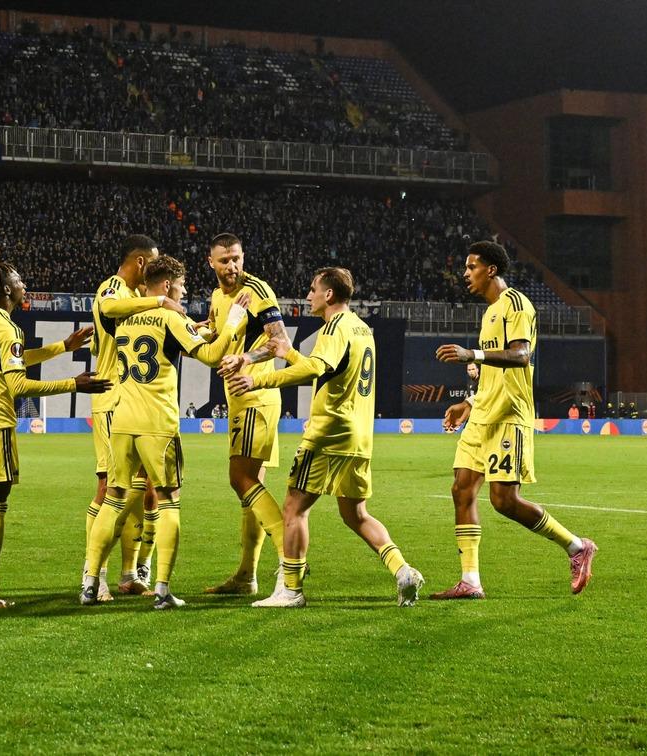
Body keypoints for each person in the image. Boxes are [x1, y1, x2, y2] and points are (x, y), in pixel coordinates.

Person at [227, 267, 424, 608]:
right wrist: (288, 352)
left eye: (313, 289)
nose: (308, 296)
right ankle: (402, 570)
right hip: (359, 435)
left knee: (293, 508)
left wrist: (258, 381)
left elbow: (316, 368)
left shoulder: (334, 327)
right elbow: (329, 367)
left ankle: (290, 590)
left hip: (329, 433)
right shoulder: (362, 328)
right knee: (355, 514)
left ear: (329, 295)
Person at [81, 255, 248, 609]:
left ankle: (90, 582)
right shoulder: (170, 315)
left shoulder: (126, 317)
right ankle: (161, 590)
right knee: (170, 501)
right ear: (169, 284)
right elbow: (212, 355)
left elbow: (163, 340)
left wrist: (195, 328)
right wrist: (233, 322)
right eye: (182, 286)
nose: (184, 292)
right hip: (157, 424)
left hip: (121, 421)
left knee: (113, 500)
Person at [434, 241, 597, 599]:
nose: (466, 273)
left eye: (472, 266)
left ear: (491, 269)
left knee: (504, 501)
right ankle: (470, 581)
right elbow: (495, 375)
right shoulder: (490, 312)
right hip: (483, 416)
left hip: (510, 417)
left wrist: (471, 353)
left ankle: (576, 546)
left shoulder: (516, 305)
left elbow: (521, 356)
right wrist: (470, 403)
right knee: (461, 489)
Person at [0, 260, 108, 609]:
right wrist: (75, 384)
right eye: (19, 280)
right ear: (7, 289)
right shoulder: (8, 329)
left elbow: (10, 359)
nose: (24, 285)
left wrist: (62, 347)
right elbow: (18, 383)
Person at [84, 234, 184, 599]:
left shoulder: (139, 302)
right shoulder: (114, 288)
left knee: (148, 493)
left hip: (136, 403)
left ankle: (132, 570)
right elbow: (109, 309)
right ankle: (96, 575)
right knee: (109, 491)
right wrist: (160, 300)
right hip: (113, 398)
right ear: (141, 263)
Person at [205, 232, 290, 596]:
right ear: (211, 263)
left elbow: (280, 342)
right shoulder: (216, 297)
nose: (232, 266)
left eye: (236, 258)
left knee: (240, 478)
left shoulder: (257, 290)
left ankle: (291, 556)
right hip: (240, 398)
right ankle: (246, 575)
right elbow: (217, 332)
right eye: (224, 261)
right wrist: (199, 330)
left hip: (257, 395)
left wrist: (246, 359)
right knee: (251, 485)